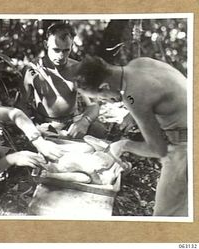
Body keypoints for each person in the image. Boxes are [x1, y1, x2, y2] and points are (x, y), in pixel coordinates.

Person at [73, 55, 188, 216]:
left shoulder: (133, 96)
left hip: (187, 147)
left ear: (105, 86)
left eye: (99, 98)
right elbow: (153, 92)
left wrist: (123, 145)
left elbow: (158, 150)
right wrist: (134, 115)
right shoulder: (139, 64)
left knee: (165, 221)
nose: (104, 101)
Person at [20, 22, 108, 139]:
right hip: (45, 125)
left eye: (66, 50)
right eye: (56, 50)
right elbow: (22, 105)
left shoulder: (78, 69)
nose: (61, 56)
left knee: (100, 131)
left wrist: (84, 122)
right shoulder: (32, 70)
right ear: (46, 45)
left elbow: (94, 104)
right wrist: (30, 129)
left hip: (72, 123)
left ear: (72, 46)